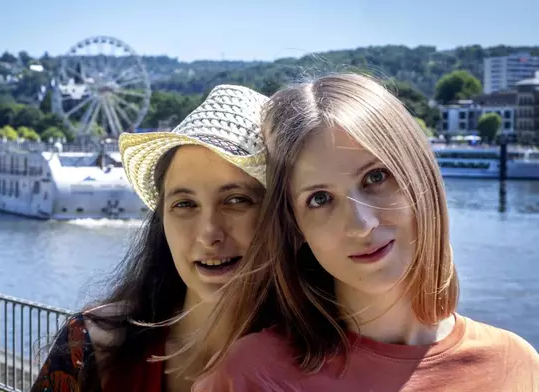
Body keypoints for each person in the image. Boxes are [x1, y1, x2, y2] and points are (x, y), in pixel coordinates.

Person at [191, 73, 539, 391]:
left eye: (375, 177)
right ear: (295, 228)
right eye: (320, 198)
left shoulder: (516, 367)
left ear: (420, 175)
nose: (362, 223)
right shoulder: (249, 376)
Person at [30, 84, 270, 392]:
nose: (209, 233)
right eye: (184, 204)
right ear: (162, 221)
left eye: (237, 200)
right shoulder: (90, 347)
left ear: (279, 217)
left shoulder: (327, 366)